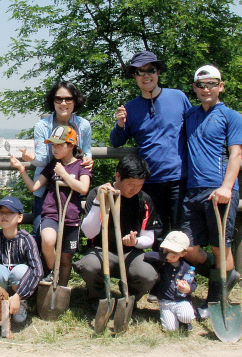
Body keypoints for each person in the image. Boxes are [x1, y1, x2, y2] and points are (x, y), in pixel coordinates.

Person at [181, 65, 242, 320]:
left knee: (221, 248)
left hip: (218, 190)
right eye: (200, 85)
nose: (205, 89)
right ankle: (225, 277)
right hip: (191, 190)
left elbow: (236, 153)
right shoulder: (190, 115)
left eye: (211, 84)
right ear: (195, 89)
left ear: (221, 86)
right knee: (188, 248)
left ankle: (215, 300)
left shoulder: (231, 116)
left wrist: (227, 188)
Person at [110, 51, 191, 248]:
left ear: (158, 73)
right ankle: (158, 277)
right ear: (134, 76)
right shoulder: (130, 107)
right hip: (148, 181)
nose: (146, 75)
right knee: (156, 233)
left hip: (178, 178)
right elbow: (116, 141)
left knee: (182, 232)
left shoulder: (178, 97)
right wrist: (120, 123)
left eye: (151, 70)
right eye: (140, 72)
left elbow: (194, 129)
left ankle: (182, 278)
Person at [73, 155, 161, 310]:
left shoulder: (144, 200)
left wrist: (136, 242)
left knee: (148, 274)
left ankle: (129, 299)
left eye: (139, 185)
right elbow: (89, 233)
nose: (134, 189)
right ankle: (98, 298)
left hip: (130, 252)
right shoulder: (98, 194)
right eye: (131, 184)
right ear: (118, 176)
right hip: (101, 250)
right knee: (89, 266)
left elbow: (149, 238)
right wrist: (98, 203)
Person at [11, 126, 91, 286]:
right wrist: (22, 169)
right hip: (51, 213)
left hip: (71, 216)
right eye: (52, 145)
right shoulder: (53, 164)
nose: (54, 148)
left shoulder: (81, 165)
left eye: (58, 144)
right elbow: (34, 187)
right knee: (47, 241)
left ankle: (62, 289)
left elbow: (83, 188)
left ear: (71, 145)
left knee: (67, 257)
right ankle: (53, 272)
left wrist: (64, 174)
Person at [19, 80, 92, 239]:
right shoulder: (42, 126)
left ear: (75, 101)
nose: (63, 103)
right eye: (58, 99)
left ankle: (62, 264)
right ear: (53, 101)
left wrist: (88, 160)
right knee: (40, 234)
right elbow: (42, 159)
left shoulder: (83, 125)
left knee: (67, 237)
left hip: (72, 187)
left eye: (68, 99)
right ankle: (43, 265)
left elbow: (86, 150)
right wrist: (31, 159)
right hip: (45, 187)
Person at [0, 197, 42, 324]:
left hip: (19, 285)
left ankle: (20, 302)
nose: (4, 216)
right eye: (1, 213)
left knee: (21, 270)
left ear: (20, 217)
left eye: (10, 213)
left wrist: (19, 295)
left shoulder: (27, 239)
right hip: (1, 283)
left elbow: (37, 270)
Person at [143, 231, 197, 332]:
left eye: (174, 253)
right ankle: (174, 320)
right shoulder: (162, 263)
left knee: (187, 315)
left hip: (181, 300)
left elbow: (193, 284)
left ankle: (185, 322)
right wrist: (163, 257)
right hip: (165, 302)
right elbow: (147, 256)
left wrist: (188, 289)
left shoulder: (187, 268)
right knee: (170, 329)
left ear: (183, 254)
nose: (170, 255)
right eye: (167, 251)